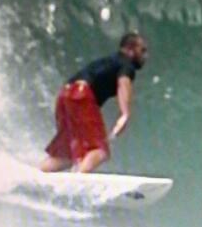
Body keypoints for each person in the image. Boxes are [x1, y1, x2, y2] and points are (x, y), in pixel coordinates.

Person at [40, 32, 148, 173]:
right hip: (80, 95)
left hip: (65, 94)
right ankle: (77, 183)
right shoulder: (126, 63)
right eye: (142, 51)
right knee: (99, 151)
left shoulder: (111, 61)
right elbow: (123, 83)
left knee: (66, 154)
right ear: (129, 49)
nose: (146, 56)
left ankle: (38, 176)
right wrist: (125, 114)